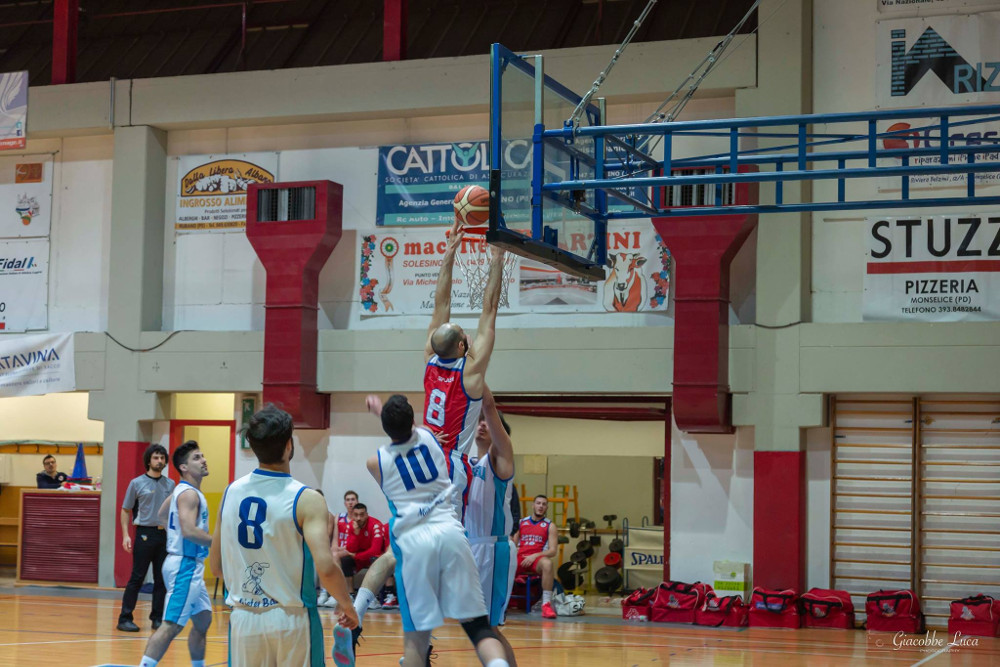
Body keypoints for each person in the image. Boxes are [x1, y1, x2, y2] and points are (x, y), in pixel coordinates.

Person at [366, 394, 509, 667]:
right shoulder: (429, 436)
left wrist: (380, 412)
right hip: (451, 532)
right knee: (479, 628)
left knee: (416, 640)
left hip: (415, 544)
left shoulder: (375, 462)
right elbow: (412, 429)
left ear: (386, 426)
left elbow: (399, 433)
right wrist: (384, 411)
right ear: (413, 421)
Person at [210, 405, 358, 667]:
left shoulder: (230, 492)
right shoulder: (307, 498)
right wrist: (347, 605)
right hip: (292, 620)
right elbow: (326, 567)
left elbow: (216, 567)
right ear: (289, 445)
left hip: (243, 619)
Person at [138, 440, 213, 667]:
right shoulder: (189, 495)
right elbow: (189, 531)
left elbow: (162, 515)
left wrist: (174, 534)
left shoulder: (180, 491)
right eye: (197, 458)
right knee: (171, 625)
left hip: (185, 563)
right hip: (184, 565)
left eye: (202, 456)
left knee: (203, 620)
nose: (204, 460)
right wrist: (219, 543)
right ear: (184, 467)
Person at [466, 387, 518, 664]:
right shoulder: (467, 464)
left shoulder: (499, 460)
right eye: (480, 421)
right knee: (476, 625)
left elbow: (491, 416)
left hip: (493, 549)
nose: (483, 424)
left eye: (488, 422)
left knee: (489, 628)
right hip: (470, 547)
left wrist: (486, 400)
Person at [118, 444, 175, 633]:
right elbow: (125, 510)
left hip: (164, 535)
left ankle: (157, 618)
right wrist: (126, 535)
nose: (159, 461)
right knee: (137, 577)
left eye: (162, 458)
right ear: (148, 461)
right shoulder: (136, 483)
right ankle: (125, 618)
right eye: (156, 457)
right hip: (144, 534)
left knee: (161, 579)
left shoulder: (170, 485)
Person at [513, 495, 559, 619]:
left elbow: (553, 551)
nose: (541, 506)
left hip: (537, 559)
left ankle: (546, 604)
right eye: (538, 503)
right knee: (503, 563)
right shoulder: (521, 522)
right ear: (533, 505)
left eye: (544, 504)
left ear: (547, 507)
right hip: (520, 557)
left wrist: (534, 556)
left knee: (548, 564)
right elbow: (513, 544)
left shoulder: (550, 525)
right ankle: (501, 602)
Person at [343, 503, 387, 580]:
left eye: (362, 515)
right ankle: (350, 588)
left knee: (375, 559)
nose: (358, 518)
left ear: (366, 515)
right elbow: (350, 550)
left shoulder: (375, 524)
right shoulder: (350, 526)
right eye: (356, 515)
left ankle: (379, 587)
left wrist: (356, 556)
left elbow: (375, 551)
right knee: (345, 560)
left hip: (373, 556)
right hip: (360, 557)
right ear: (352, 516)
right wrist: (356, 534)